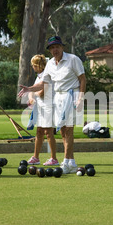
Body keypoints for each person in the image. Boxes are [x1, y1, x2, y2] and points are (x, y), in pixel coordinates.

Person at [18, 36, 86, 174]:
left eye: (57, 47)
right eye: (52, 48)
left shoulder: (73, 59)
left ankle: (66, 162)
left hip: (71, 95)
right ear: (50, 50)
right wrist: (29, 89)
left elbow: (82, 79)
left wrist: (80, 98)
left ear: (62, 47)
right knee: (62, 130)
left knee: (68, 130)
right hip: (58, 97)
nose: (55, 50)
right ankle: (71, 162)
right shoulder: (49, 64)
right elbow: (44, 83)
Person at [26, 54, 59, 166]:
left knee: (48, 132)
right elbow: (34, 89)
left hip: (48, 106)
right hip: (40, 107)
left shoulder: (47, 75)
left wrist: (33, 94)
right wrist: (31, 97)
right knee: (39, 132)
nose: (33, 67)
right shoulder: (39, 76)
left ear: (38, 65)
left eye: (34, 65)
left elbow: (41, 92)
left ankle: (54, 158)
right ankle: (36, 157)